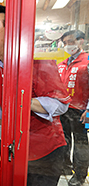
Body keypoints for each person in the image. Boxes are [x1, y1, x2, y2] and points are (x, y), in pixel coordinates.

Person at [0, 5, 71, 186]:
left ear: (12, 32)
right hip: (15, 147)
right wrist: (3, 142)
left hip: (45, 151)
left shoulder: (38, 60)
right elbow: (0, 108)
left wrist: (22, 101)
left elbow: (61, 104)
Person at [57, 30, 89, 186]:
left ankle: (80, 175)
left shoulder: (87, 61)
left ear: (80, 41)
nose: (67, 46)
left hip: (82, 111)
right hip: (64, 108)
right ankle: (66, 167)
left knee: (81, 143)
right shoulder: (63, 63)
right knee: (65, 139)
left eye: (70, 42)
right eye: (65, 43)